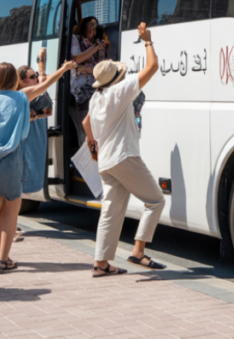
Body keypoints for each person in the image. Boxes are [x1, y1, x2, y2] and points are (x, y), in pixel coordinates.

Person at [0, 60, 74, 272]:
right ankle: (3, 259)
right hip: (12, 159)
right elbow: (44, 86)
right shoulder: (20, 97)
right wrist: (63, 69)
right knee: (11, 211)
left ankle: (2, 255)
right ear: (14, 79)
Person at [84, 22, 166, 277]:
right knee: (155, 201)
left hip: (106, 161)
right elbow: (152, 67)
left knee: (111, 210)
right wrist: (147, 40)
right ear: (118, 78)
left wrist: (92, 145)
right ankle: (138, 251)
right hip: (124, 156)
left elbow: (86, 123)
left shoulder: (96, 98)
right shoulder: (119, 91)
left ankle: (101, 263)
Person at [0, 65, 53, 233]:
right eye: (32, 76)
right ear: (21, 81)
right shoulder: (19, 98)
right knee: (12, 184)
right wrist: (33, 116)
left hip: (27, 139)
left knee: (11, 182)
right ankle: (3, 223)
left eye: (35, 76)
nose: (36, 78)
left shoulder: (31, 95)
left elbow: (48, 110)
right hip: (19, 143)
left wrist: (36, 115)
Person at [68, 16, 110, 143]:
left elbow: (100, 68)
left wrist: (87, 67)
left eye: (96, 26)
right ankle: (85, 162)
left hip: (94, 92)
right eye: (91, 24)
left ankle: (92, 159)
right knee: (84, 132)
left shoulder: (97, 44)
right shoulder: (76, 39)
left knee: (95, 130)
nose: (93, 28)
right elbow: (76, 59)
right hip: (80, 94)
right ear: (84, 25)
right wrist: (94, 49)